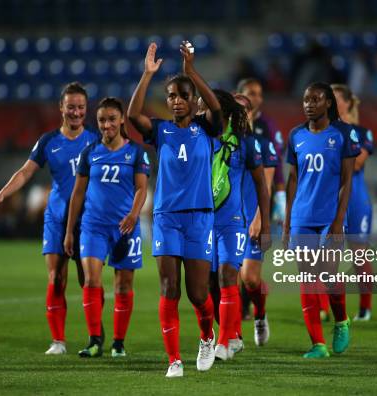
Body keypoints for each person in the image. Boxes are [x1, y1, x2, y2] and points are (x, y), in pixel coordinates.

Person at [128, 41, 223, 378]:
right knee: (170, 288)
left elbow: (217, 110)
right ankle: (174, 360)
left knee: (199, 295)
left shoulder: (207, 130)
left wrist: (191, 72)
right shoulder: (161, 131)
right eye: (171, 96)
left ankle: (207, 337)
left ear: (193, 99)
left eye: (183, 95)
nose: (177, 100)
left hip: (200, 218)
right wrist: (147, 74)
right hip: (167, 218)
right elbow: (131, 116)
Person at [0, 82, 100, 355]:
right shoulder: (49, 141)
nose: (75, 112)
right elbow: (26, 172)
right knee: (55, 277)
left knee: (88, 280)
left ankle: (95, 337)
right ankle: (58, 341)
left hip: (87, 220)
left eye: (81, 108)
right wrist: (2, 194)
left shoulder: (96, 140)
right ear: (61, 108)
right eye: (71, 107)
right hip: (56, 218)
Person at [64, 97, 150, 358]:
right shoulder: (89, 153)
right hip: (93, 226)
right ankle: (94, 340)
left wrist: (134, 216)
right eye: (102, 120)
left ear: (122, 119)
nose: (107, 125)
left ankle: (119, 343)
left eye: (112, 119)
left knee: (123, 284)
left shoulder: (136, 152)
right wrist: (69, 230)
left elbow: (141, 188)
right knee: (91, 279)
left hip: (125, 227)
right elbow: (77, 194)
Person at [283, 82, 360, 359]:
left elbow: (347, 180)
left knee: (327, 276)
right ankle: (317, 344)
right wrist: (287, 220)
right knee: (307, 279)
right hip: (302, 217)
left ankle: (341, 321)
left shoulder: (343, 134)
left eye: (315, 99)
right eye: (305, 100)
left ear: (328, 103)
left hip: (330, 217)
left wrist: (339, 221)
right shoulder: (295, 136)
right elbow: (293, 180)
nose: (309, 104)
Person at [204, 89, 271, 360]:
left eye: (246, 110)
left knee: (242, 277)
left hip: (240, 220)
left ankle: (254, 320)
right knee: (211, 285)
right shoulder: (206, 139)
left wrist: (262, 220)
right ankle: (233, 335)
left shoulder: (251, 144)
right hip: (207, 221)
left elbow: (267, 183)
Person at [236, 78, 285, 321]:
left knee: (250, 277)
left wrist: (276, 201)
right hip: (229, 217)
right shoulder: (223, 141)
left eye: (257, 94)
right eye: (249, 94)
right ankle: (230, 335)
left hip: (255, 211)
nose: (254, 99)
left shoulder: (266, 134)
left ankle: (259, 313)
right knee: (227, 278)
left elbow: (268, 179)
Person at [332, 84, 375, 321]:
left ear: (348, 102)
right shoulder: (323, 131)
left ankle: (365, 307)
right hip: (331, 198)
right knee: (327, 258)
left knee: (359, 255)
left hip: (356, 199)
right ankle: (327, 308)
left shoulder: (362, 132)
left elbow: (356, 164)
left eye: (336, 98)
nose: (331, 102)